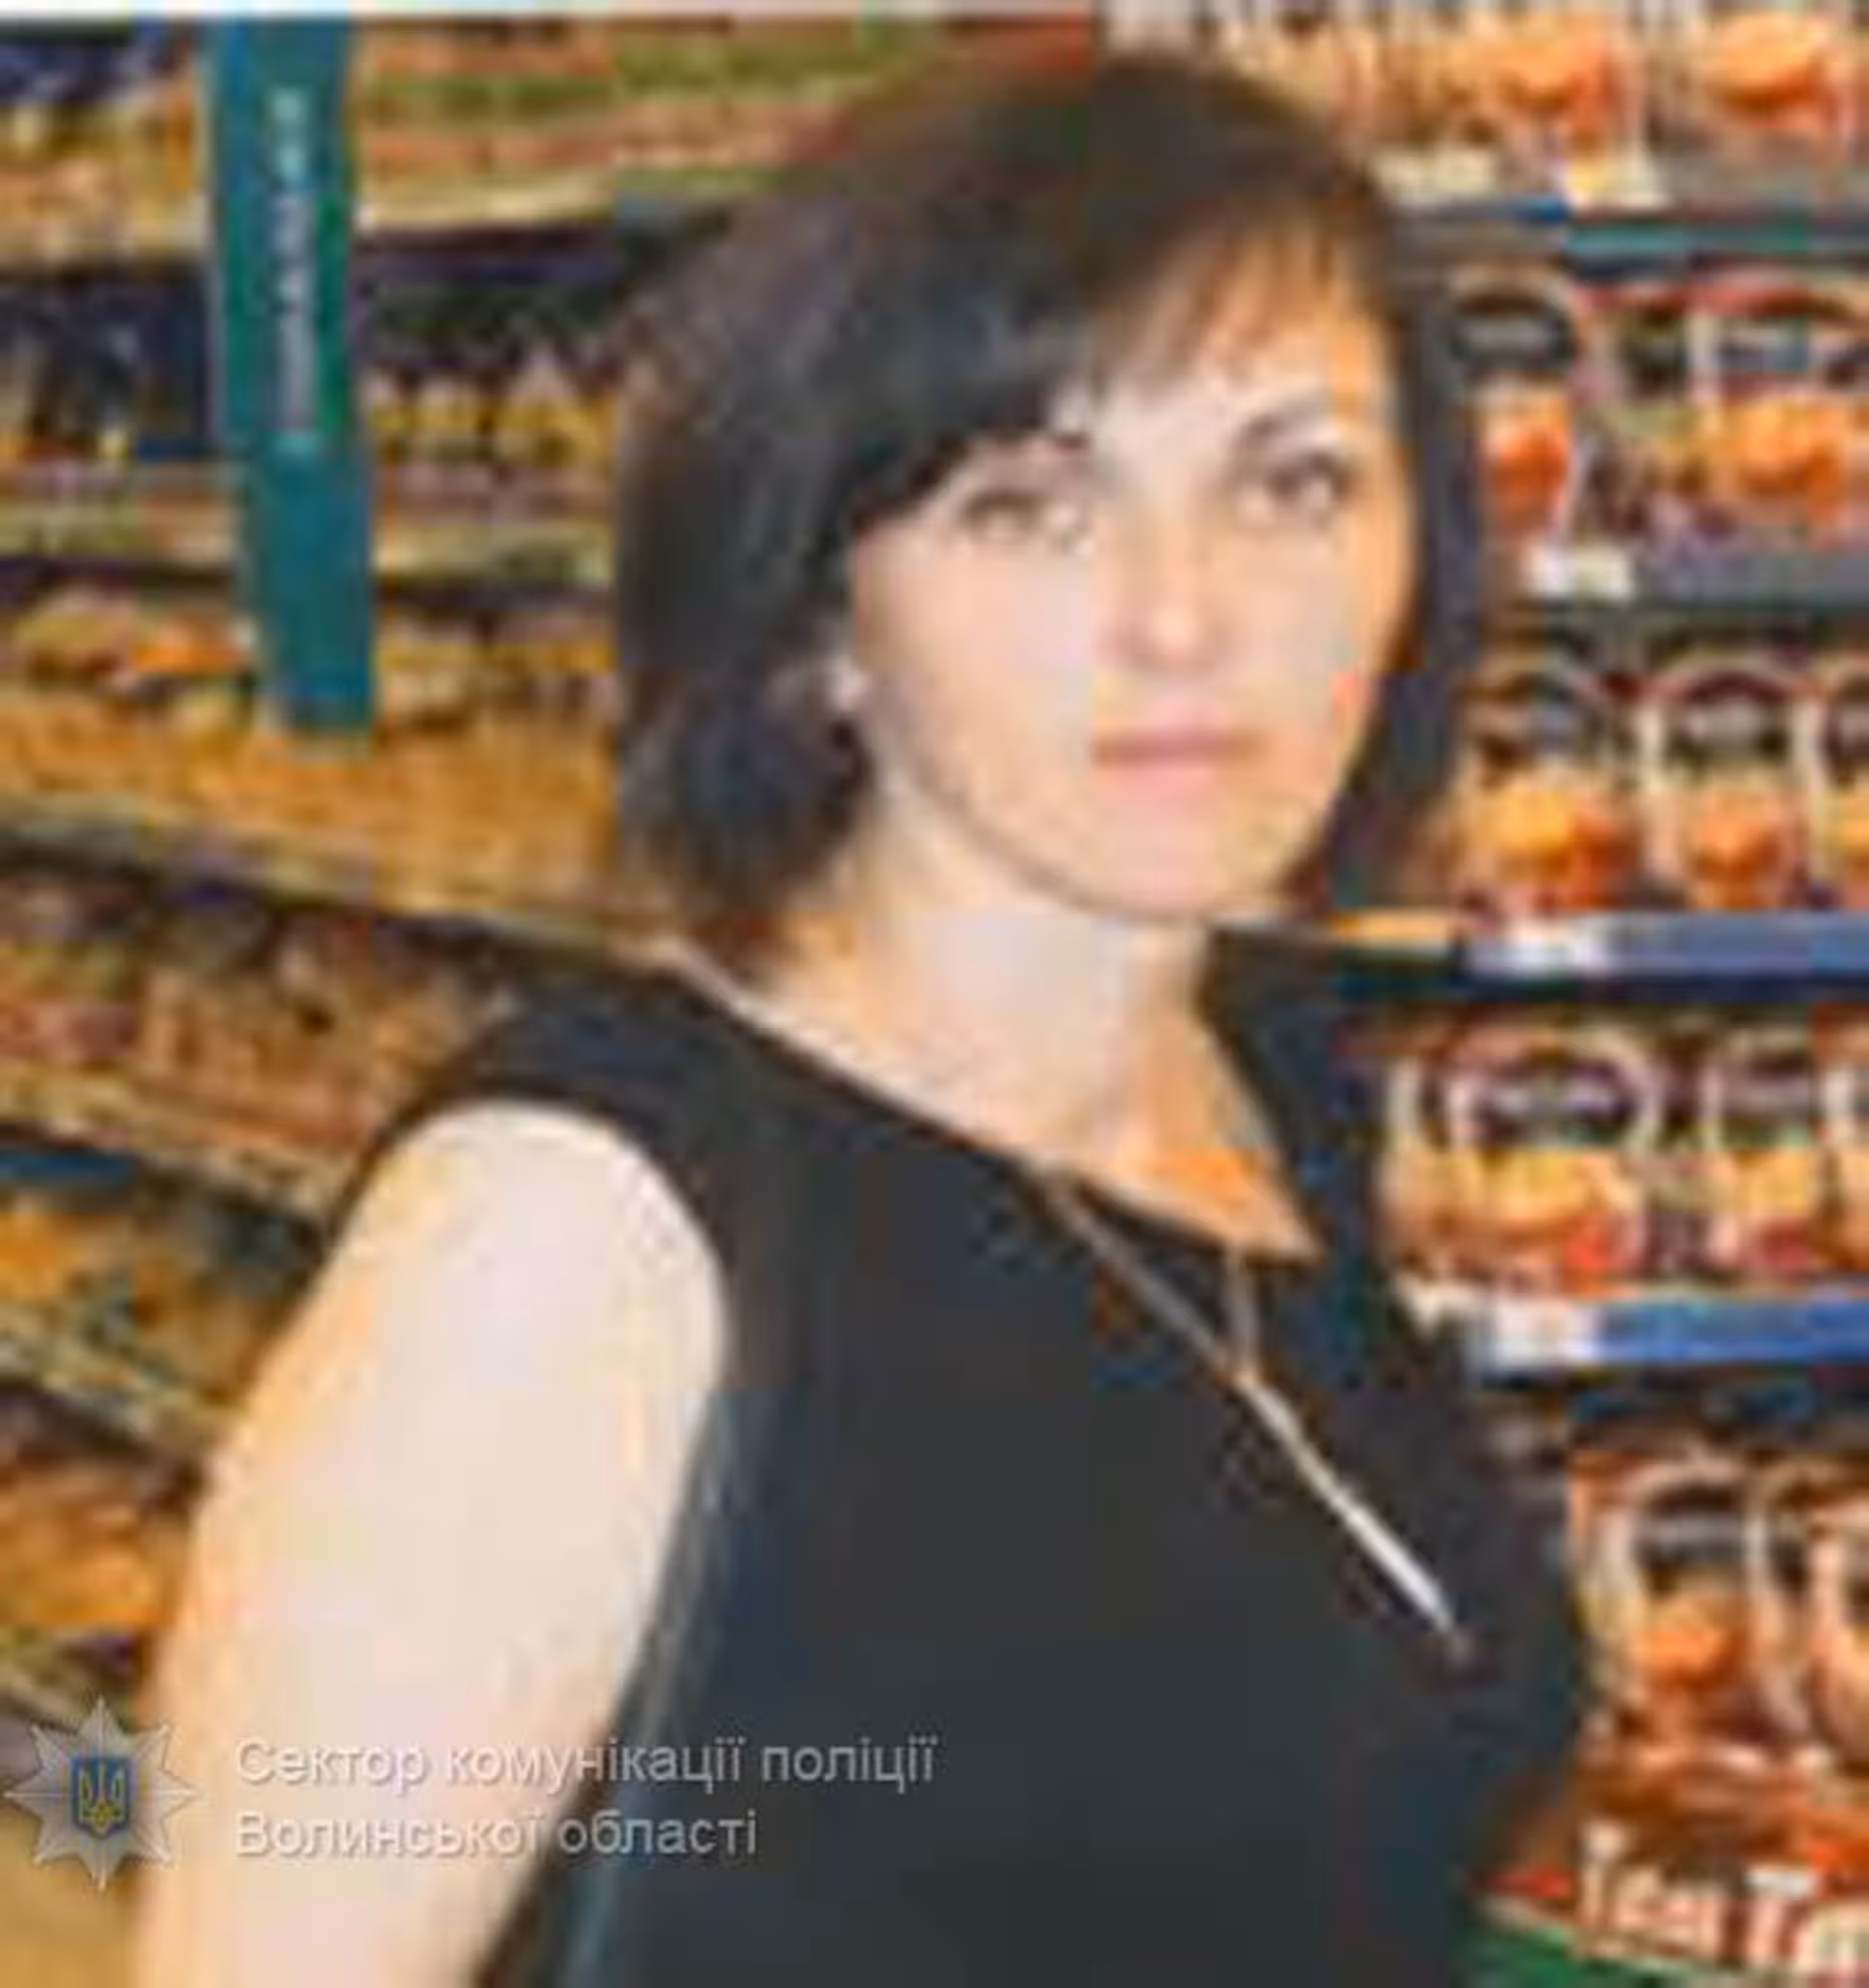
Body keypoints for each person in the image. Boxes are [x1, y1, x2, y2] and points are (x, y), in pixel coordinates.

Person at [136, 45, 1583, 1988]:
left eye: (1292, 480)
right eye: (1026, 504)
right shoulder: (580, 1231)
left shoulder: (1258, 1078)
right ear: (820, 612)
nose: (1185, 616)